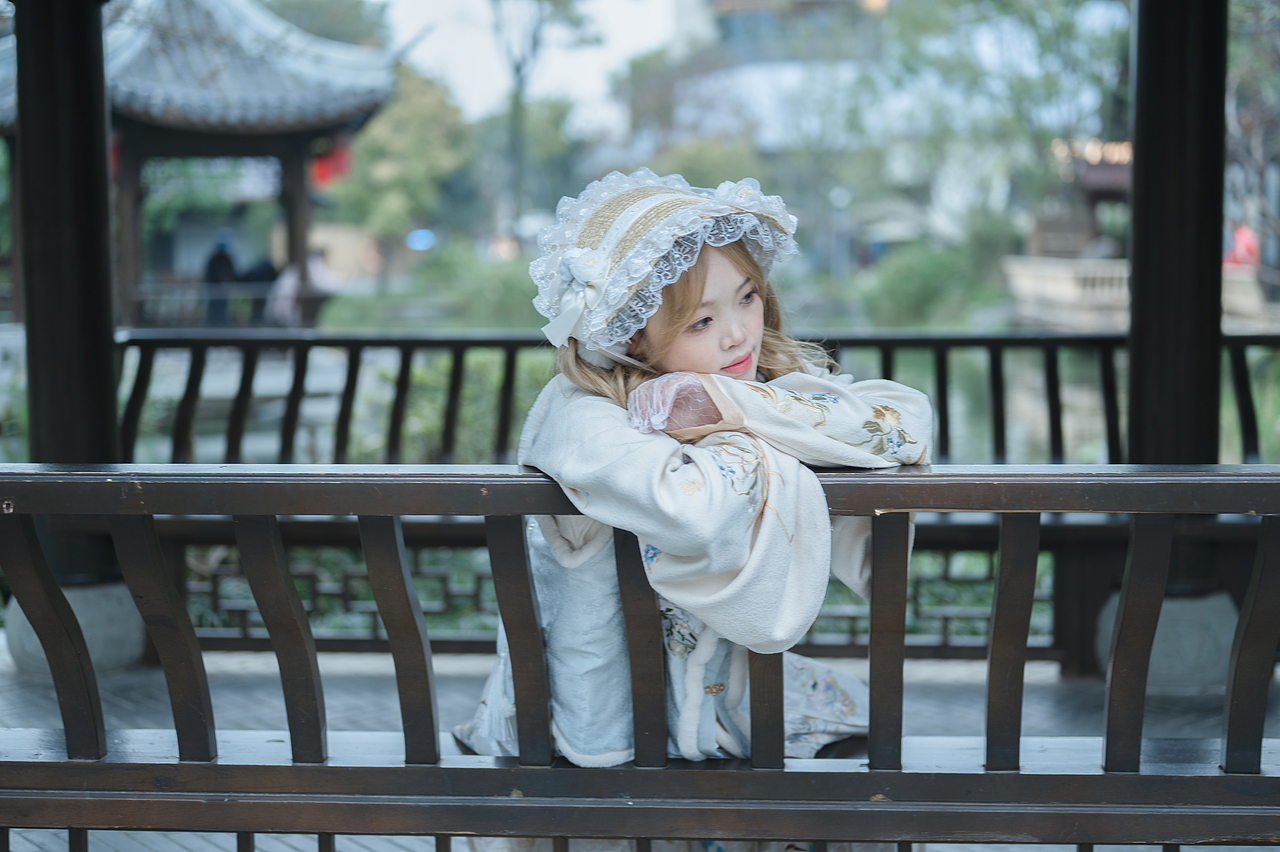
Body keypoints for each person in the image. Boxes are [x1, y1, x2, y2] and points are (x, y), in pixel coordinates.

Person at [455, 170, 932, 848]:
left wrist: (733, 407)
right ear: (631, 337)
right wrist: (765, 432)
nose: (739, 334)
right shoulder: (581, 416)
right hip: (602, 732)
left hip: (717, 708)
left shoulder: (737, 384)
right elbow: (691, 509)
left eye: (748, 298)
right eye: (702, 320)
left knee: (869, 731)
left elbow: (907, 422)